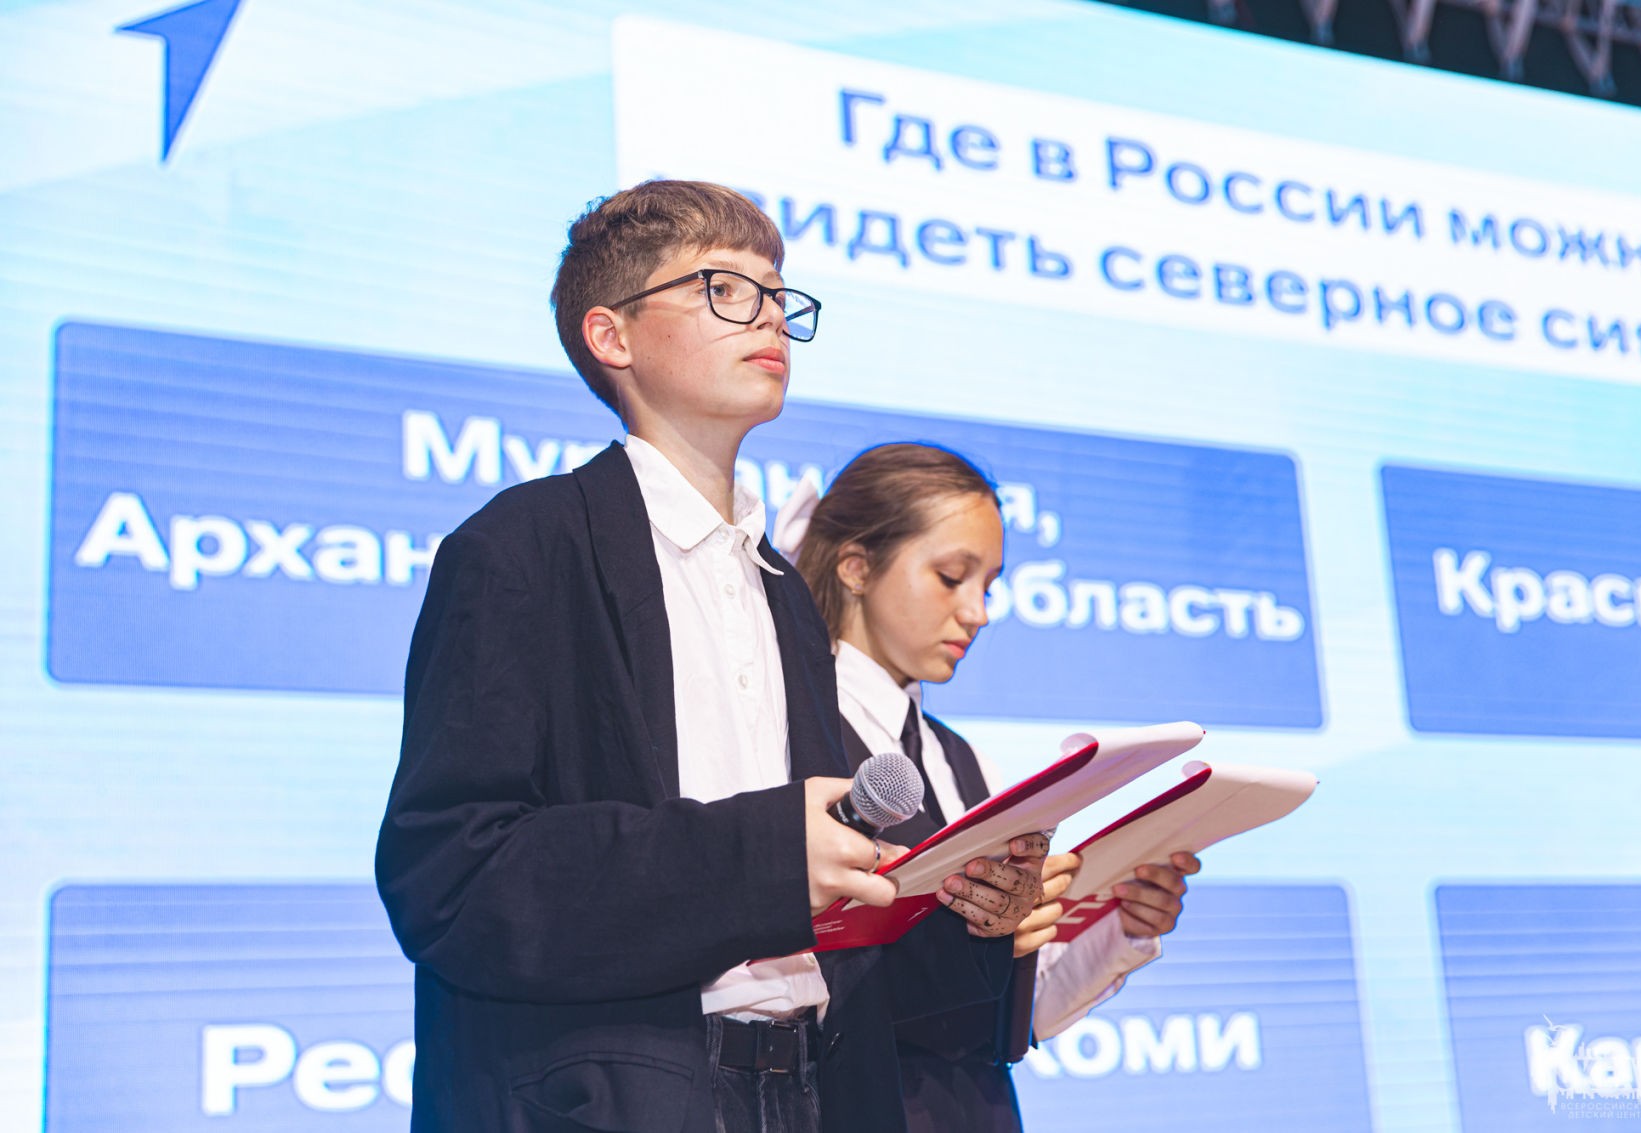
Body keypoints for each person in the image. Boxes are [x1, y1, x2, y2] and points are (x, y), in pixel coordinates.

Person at [374, 181, 1041, 1133]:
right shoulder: (526, 544)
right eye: (723, 289)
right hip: (622, 1100)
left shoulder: (784, 593)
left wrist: (977, 913)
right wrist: (764, 854)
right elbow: (451, 878)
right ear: (612, 336)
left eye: (776, 294)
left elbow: (850, 949)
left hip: (818, 1090)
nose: (767, 315)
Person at [788, 442, 1203, 1132]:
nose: (977, 612)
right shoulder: (787, 730)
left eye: (989, 586)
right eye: (951, 577)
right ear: (856, 566)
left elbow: (1005, 1024)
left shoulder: (969, 762)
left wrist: (1122, 926)